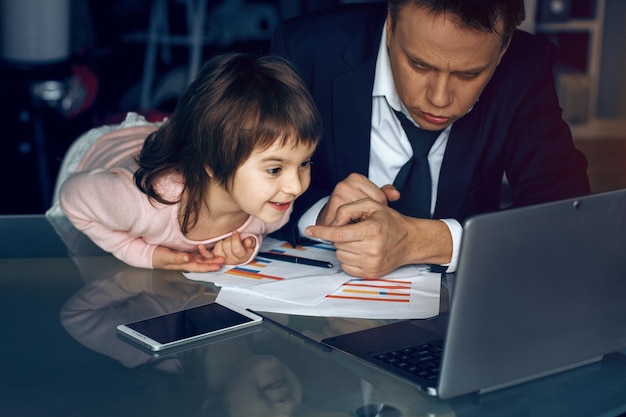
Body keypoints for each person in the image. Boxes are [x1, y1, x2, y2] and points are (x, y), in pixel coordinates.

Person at [269, 0, 590, 278]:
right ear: (391, 25)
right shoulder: (307, 49)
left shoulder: (525, 68)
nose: (439, 99)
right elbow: (241, 178)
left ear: (503, 49)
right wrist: (322, 214)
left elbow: (565, 215)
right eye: (419, 65)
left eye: (468, 74)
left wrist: (421, 241)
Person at [57, 52, 321, 272]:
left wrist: (247, 244)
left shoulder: (275, 205)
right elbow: (72, 198)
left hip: (185, 141)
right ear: (213, 162)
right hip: (110, 147)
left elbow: (257, 228)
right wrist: (144, 254)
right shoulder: (143, 201)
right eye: (275, 169)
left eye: (304, 163)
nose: (296, 186)